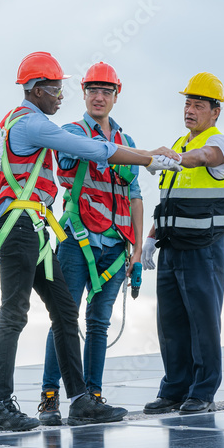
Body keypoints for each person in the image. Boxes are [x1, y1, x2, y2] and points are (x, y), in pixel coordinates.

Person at [0, 51, 181, 431]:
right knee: (14, 315)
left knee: (63, 313)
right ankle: (1, 405)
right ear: (37, 89)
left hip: (36, 229)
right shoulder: (33, 125)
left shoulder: (19, 121)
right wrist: (148, 158)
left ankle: (80, 401)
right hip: (23, 228)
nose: (62, 95)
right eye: (57, 87)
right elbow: (95, 150)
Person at [38, 62, 143, 426]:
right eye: (93, 90)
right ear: (84, 93)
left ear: (116, 95)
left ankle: (93, 396)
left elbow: (135, 194)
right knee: (64, 320)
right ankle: (51, 395)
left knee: (99, 322)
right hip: (77, 241)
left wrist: (138, 251)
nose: (99, 97)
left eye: (106, 91)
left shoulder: (127, 143)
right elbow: (78, 155)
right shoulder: (71, 132)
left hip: (115, 246)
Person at [141, 72, 224, 415]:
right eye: (187, 103)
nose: (190, 110)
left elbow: (206, 157)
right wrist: (151, 238)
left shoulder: (220, 142)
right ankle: (175, 389)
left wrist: (177, 159)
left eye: (198, 104)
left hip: (203, 248)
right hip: (171, 246)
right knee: (171, 322)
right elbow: (169, 200)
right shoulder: (178, 146)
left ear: (215, 111)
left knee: (203, 320)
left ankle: (203, 391)